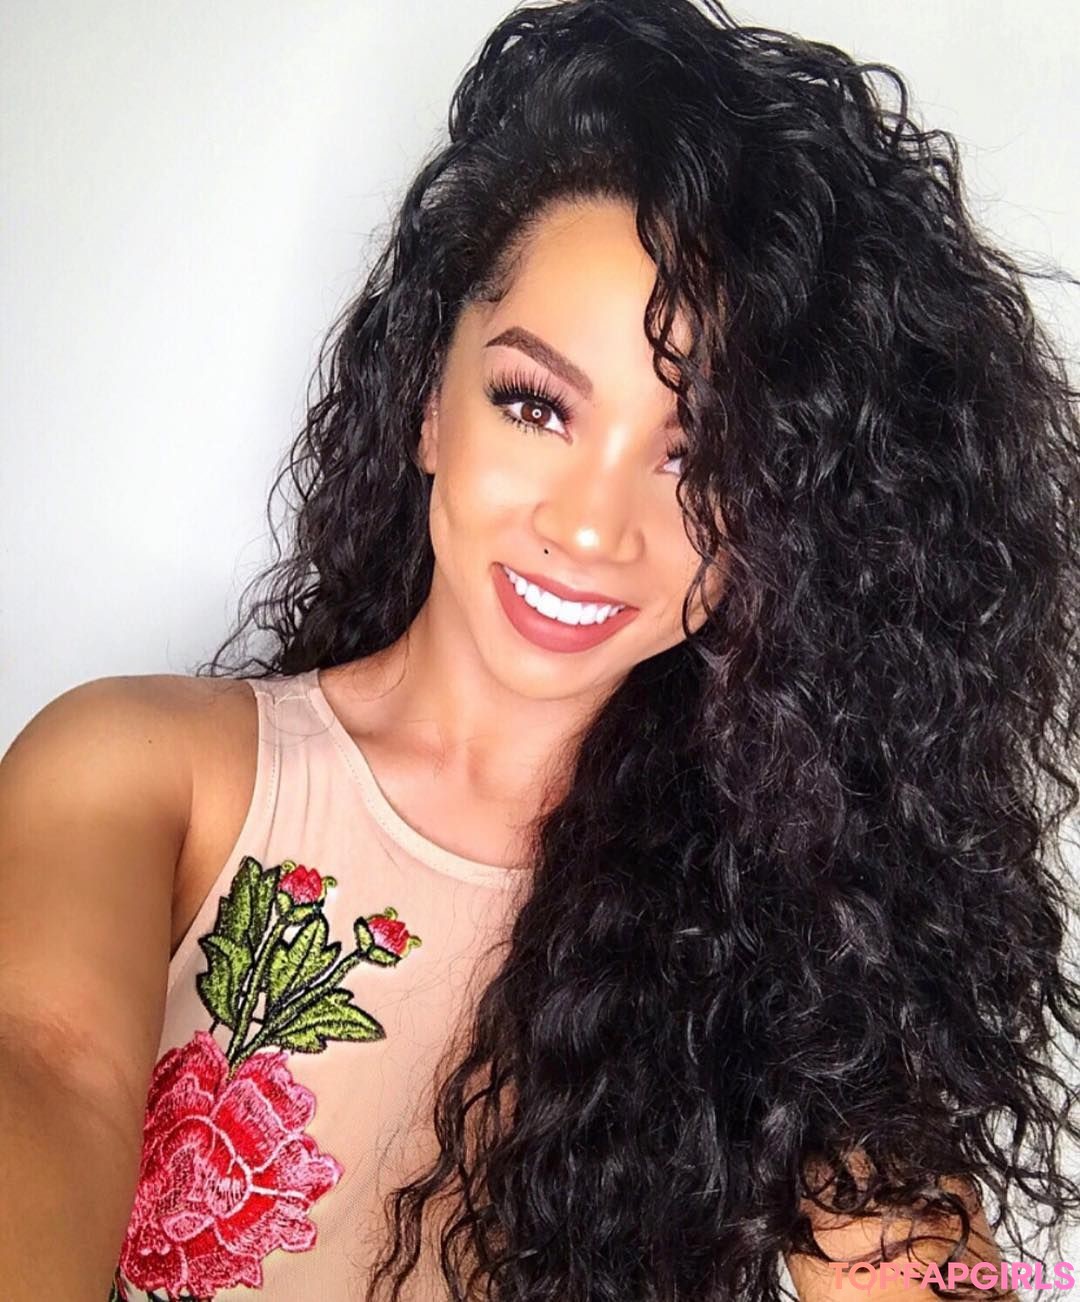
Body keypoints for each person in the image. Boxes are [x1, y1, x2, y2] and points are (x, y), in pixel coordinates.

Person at [2, 0, 1078, 1298]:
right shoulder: (144, 774)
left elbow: (907, 1255)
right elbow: (44, 1066)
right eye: (536, 404)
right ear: (428, 403)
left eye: (703, 459)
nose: (589, 526)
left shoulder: (792, 905)